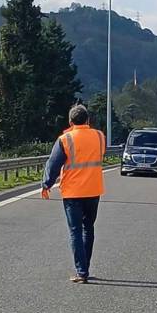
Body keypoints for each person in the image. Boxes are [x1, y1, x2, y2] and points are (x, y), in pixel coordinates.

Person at [41, 104, 106, 284]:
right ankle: (85, 268)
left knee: (75, 231)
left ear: (70, 121)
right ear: (88, 120)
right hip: (93, 190)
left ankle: (81, 271)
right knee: (88, 228)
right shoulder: (100, 136)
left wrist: (46, 184)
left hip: (73, 192)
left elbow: (53, 165)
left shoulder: (65, 139)